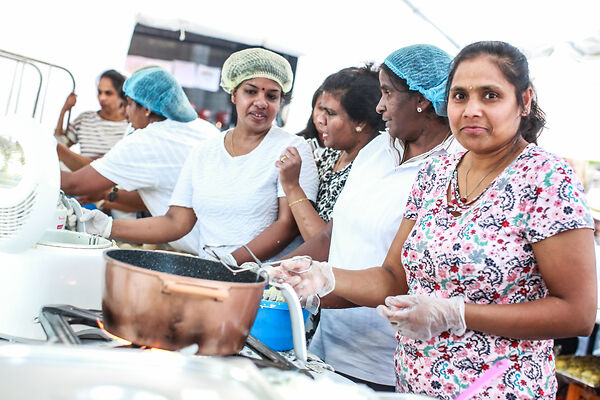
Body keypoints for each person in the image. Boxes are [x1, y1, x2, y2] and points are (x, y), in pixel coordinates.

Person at [276, 41, 597, 399]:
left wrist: (457, 314)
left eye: (490, 96)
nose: (472, 109)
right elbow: (393, 279)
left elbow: (578, 313)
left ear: (523, 101)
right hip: (412, 384)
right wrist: (322, 277)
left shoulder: (547, 178)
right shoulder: (435, 171)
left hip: (498, 386)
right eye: (460, 96)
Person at [277, 44, 461, 391]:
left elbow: (398, 279)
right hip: (326, 343)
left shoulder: (451, 170)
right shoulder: (377, 149)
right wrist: (274, 274)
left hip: (385, 361)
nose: (379, 106)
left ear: (421, 99)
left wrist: (314, 285)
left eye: (388, 93)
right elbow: (335, 234)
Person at [81, 48, 318, 263]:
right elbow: (176, 221)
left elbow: (287, 226)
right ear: (234, 94)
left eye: (272, 96)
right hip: (211, 270)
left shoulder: (292, 150)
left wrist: (230, 264)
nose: (261, 102)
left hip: (265, 283)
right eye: (250, 91)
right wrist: (107, 226)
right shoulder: (205, 151)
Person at [61, 66, 218, 254]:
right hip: (225, 247)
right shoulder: (204, 129)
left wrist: (40, 154)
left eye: (129, 103)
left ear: (145, 108)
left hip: (207, 252)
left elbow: (75, 184)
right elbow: (172, 200)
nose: (126, 112)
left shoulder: (148, 140)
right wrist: (105, 196)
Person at [278, 65, 384, 240]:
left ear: (360, 121)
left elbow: (326, 245)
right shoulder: (332, 155)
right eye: (321, 110)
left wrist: (292, 186)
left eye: (331, 113)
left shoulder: (370, 171)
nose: (321, 120)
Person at [55, 69, 130, 171]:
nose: (102, 98)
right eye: (99, 92)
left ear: (121, 96)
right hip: (81, 177)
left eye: (108, 93)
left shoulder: (129, 127)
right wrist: (64, 111)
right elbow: (60, 145)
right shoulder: (85, 119)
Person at [296, 87, 326, 159]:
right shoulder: (297, 144)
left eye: (332, 112)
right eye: (321, 108)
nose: (324, 119)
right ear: (312, 112)